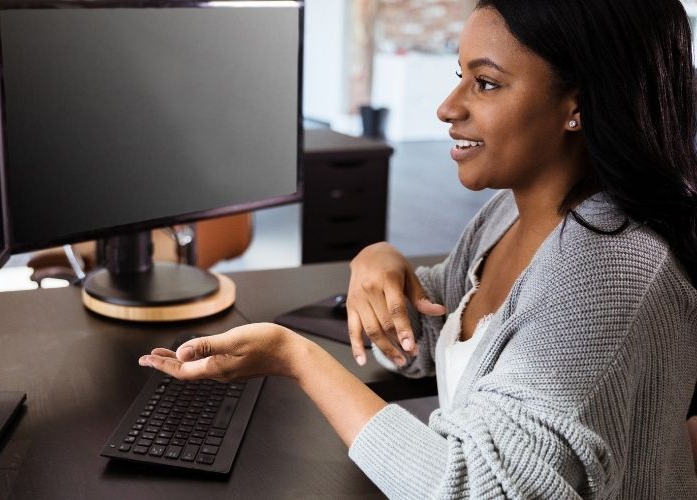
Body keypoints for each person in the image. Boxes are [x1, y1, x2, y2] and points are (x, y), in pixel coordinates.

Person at [138, 0, 697, 497]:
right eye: (460, 75)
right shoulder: (508, 213)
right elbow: (432, 340)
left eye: (486, 83)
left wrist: (297, 359)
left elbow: (472, 488)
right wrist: (379, 264)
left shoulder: (611, 271)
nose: (447, 107)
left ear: (579, 105)